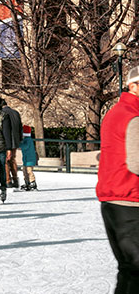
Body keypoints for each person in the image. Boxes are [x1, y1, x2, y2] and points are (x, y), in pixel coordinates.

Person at [97, 64, 139, 293]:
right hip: (130, 200)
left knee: (129, 269)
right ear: (133, 86)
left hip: (113, 202)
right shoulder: (134, 116)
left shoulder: (114, 113)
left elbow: (107, 152)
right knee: (135, 269)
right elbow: (137, 162)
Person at [2, 99, 23, 190]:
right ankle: (15, 179)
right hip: (15, 140)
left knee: (5, 161)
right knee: (13, 160)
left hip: (6, 141)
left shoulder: (2, 113)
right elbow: (20, 127)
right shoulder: (15, 113)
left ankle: (8, 180)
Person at [19, 126, 38, 191]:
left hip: (30, 159)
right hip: (26, 159)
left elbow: (25, 147)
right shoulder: (25, 139)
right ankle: (27, 182)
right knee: (25, 171)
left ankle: (32, 183)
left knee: (29, 171)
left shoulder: (28, 140)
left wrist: (19, 145)